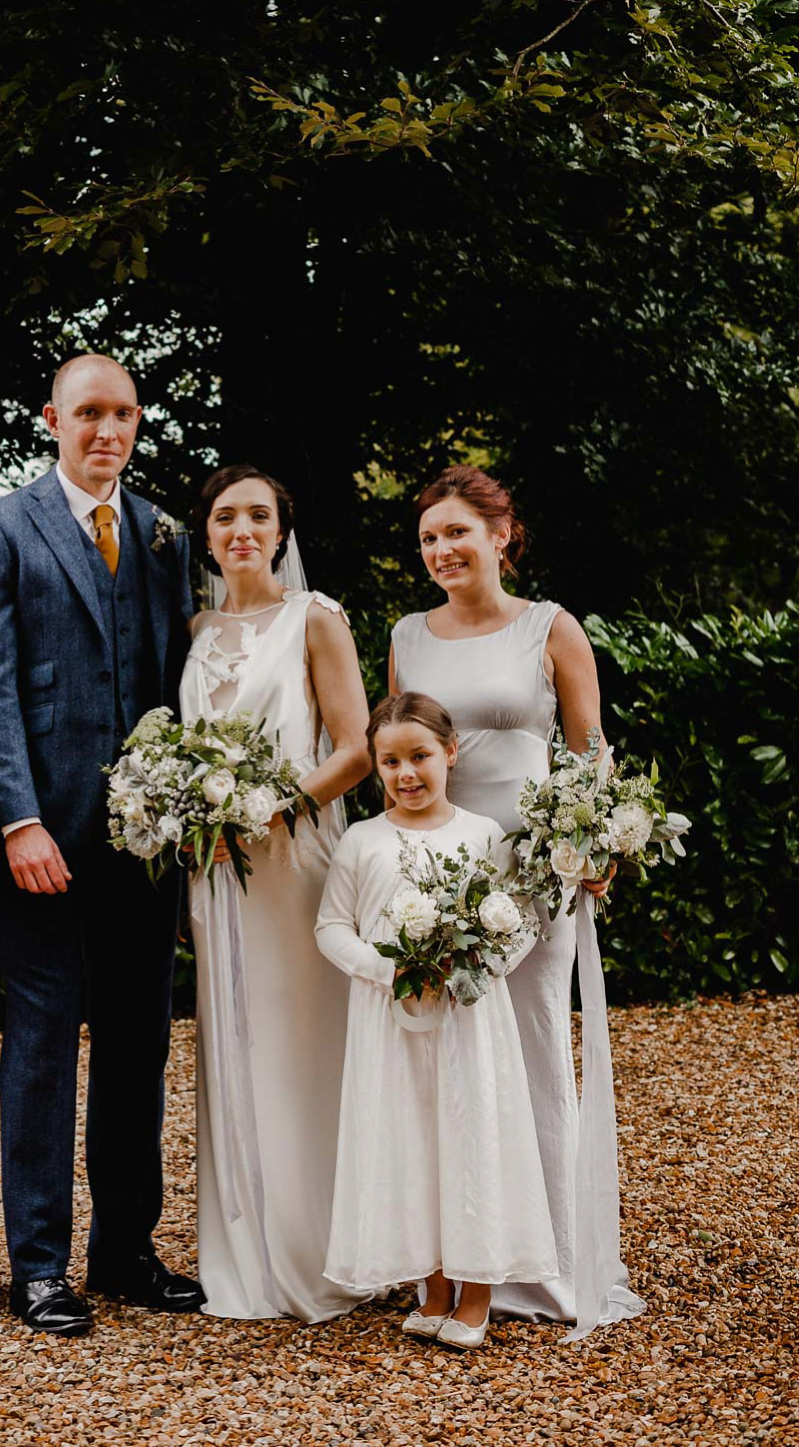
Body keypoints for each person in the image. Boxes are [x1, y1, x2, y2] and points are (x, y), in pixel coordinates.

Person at [0, 354, 202, 1337]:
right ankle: (41, 1263)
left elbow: (176, 680)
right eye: (89, 412)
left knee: (140, 1039)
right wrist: (14, 816)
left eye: (125, 413)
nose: (108, 429)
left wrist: (181, 804)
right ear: (51, 417)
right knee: (44, 1044)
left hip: (143, 839)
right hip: (42, 833)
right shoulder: (6, 526)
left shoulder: (160, 531)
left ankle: (128, 1249)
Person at [387, 463, 644, 1339]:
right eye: (428, 537)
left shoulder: (551, 627)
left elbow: (589, 749)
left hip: (536, 870)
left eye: (456, 531)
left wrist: (596, 840)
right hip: (445, 870)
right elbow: (402, 752)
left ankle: (553, 1260)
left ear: (502, 534)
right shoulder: (407, 636)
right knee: (451, 1062)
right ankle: (465, 1256)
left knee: (533, 1045)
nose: (441, 549)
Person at [181, 465, 371, 1321]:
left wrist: (277, 808)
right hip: (215, 868)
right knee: (233, 1040)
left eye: (259, 514)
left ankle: (325, 1251)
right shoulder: (193, 625)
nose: (242, 528)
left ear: (283, 531)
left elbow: (358, 746)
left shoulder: (315, 618)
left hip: (293, 859)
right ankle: (244, 1254)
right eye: (226, 517)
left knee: (303, 1042)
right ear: (209, 534)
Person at [316, 692, 556, 1350]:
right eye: (390, 760)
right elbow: (331, 926)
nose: (406, 773)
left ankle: (476, 1293)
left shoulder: (481, 834)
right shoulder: (361, 841)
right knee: (409, 1140)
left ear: (451, 752)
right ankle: (433, 1287)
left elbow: (522, 921)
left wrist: (475, 964)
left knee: (467, 1135)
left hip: (466, 1023)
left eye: (419, 755)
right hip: (389, 1025)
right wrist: (385, 968)